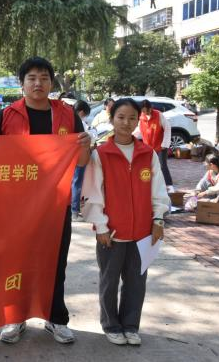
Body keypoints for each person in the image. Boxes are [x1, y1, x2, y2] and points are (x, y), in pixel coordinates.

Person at [0, 56, 91, 345]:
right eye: (32, 78)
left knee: (55, 262)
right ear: (22, 83)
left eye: (44, 78)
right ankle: (14, 317)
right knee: (15, 261)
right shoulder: (5, 116)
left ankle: (56, 318)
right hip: (15, 207)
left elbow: (81, 161)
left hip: (55, 205)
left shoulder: (67, 115)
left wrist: (85, 145)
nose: (38, 83)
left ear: (51, 83)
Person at [81, 98, 170, 346]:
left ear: (138, 120)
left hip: (142, 233)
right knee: (109, 282)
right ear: (112, 119)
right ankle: (111, 325)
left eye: (132, 118)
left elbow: (158, 190)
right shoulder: (101, 154)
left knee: (136, 282)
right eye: (121, 117)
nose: (126, 123)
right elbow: (93, 193)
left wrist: (158, 219)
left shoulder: (147, 154)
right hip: (111, 233)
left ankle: (131, 325)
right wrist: (100, 226)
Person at [134, 99, 174, 192]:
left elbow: (167, 128)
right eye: (143, 111)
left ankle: (169, 186)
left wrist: (165, 143)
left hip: (160, 146)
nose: (145, 113)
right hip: (148, 147)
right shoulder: (141, 117)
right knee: (147, 167)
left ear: (150, 108)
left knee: (162, 166)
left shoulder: (158, 115)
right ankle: (151, 186)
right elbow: (139, 131)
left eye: (147, 110)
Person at [71, 100, 93, 223]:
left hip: (71, 158)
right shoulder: (78, 122)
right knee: (77, 182)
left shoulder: (68, 120)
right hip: (79, 156)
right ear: (81, 112)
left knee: (74, 182)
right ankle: (74, 211)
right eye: (85, 114)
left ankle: (73, 210)